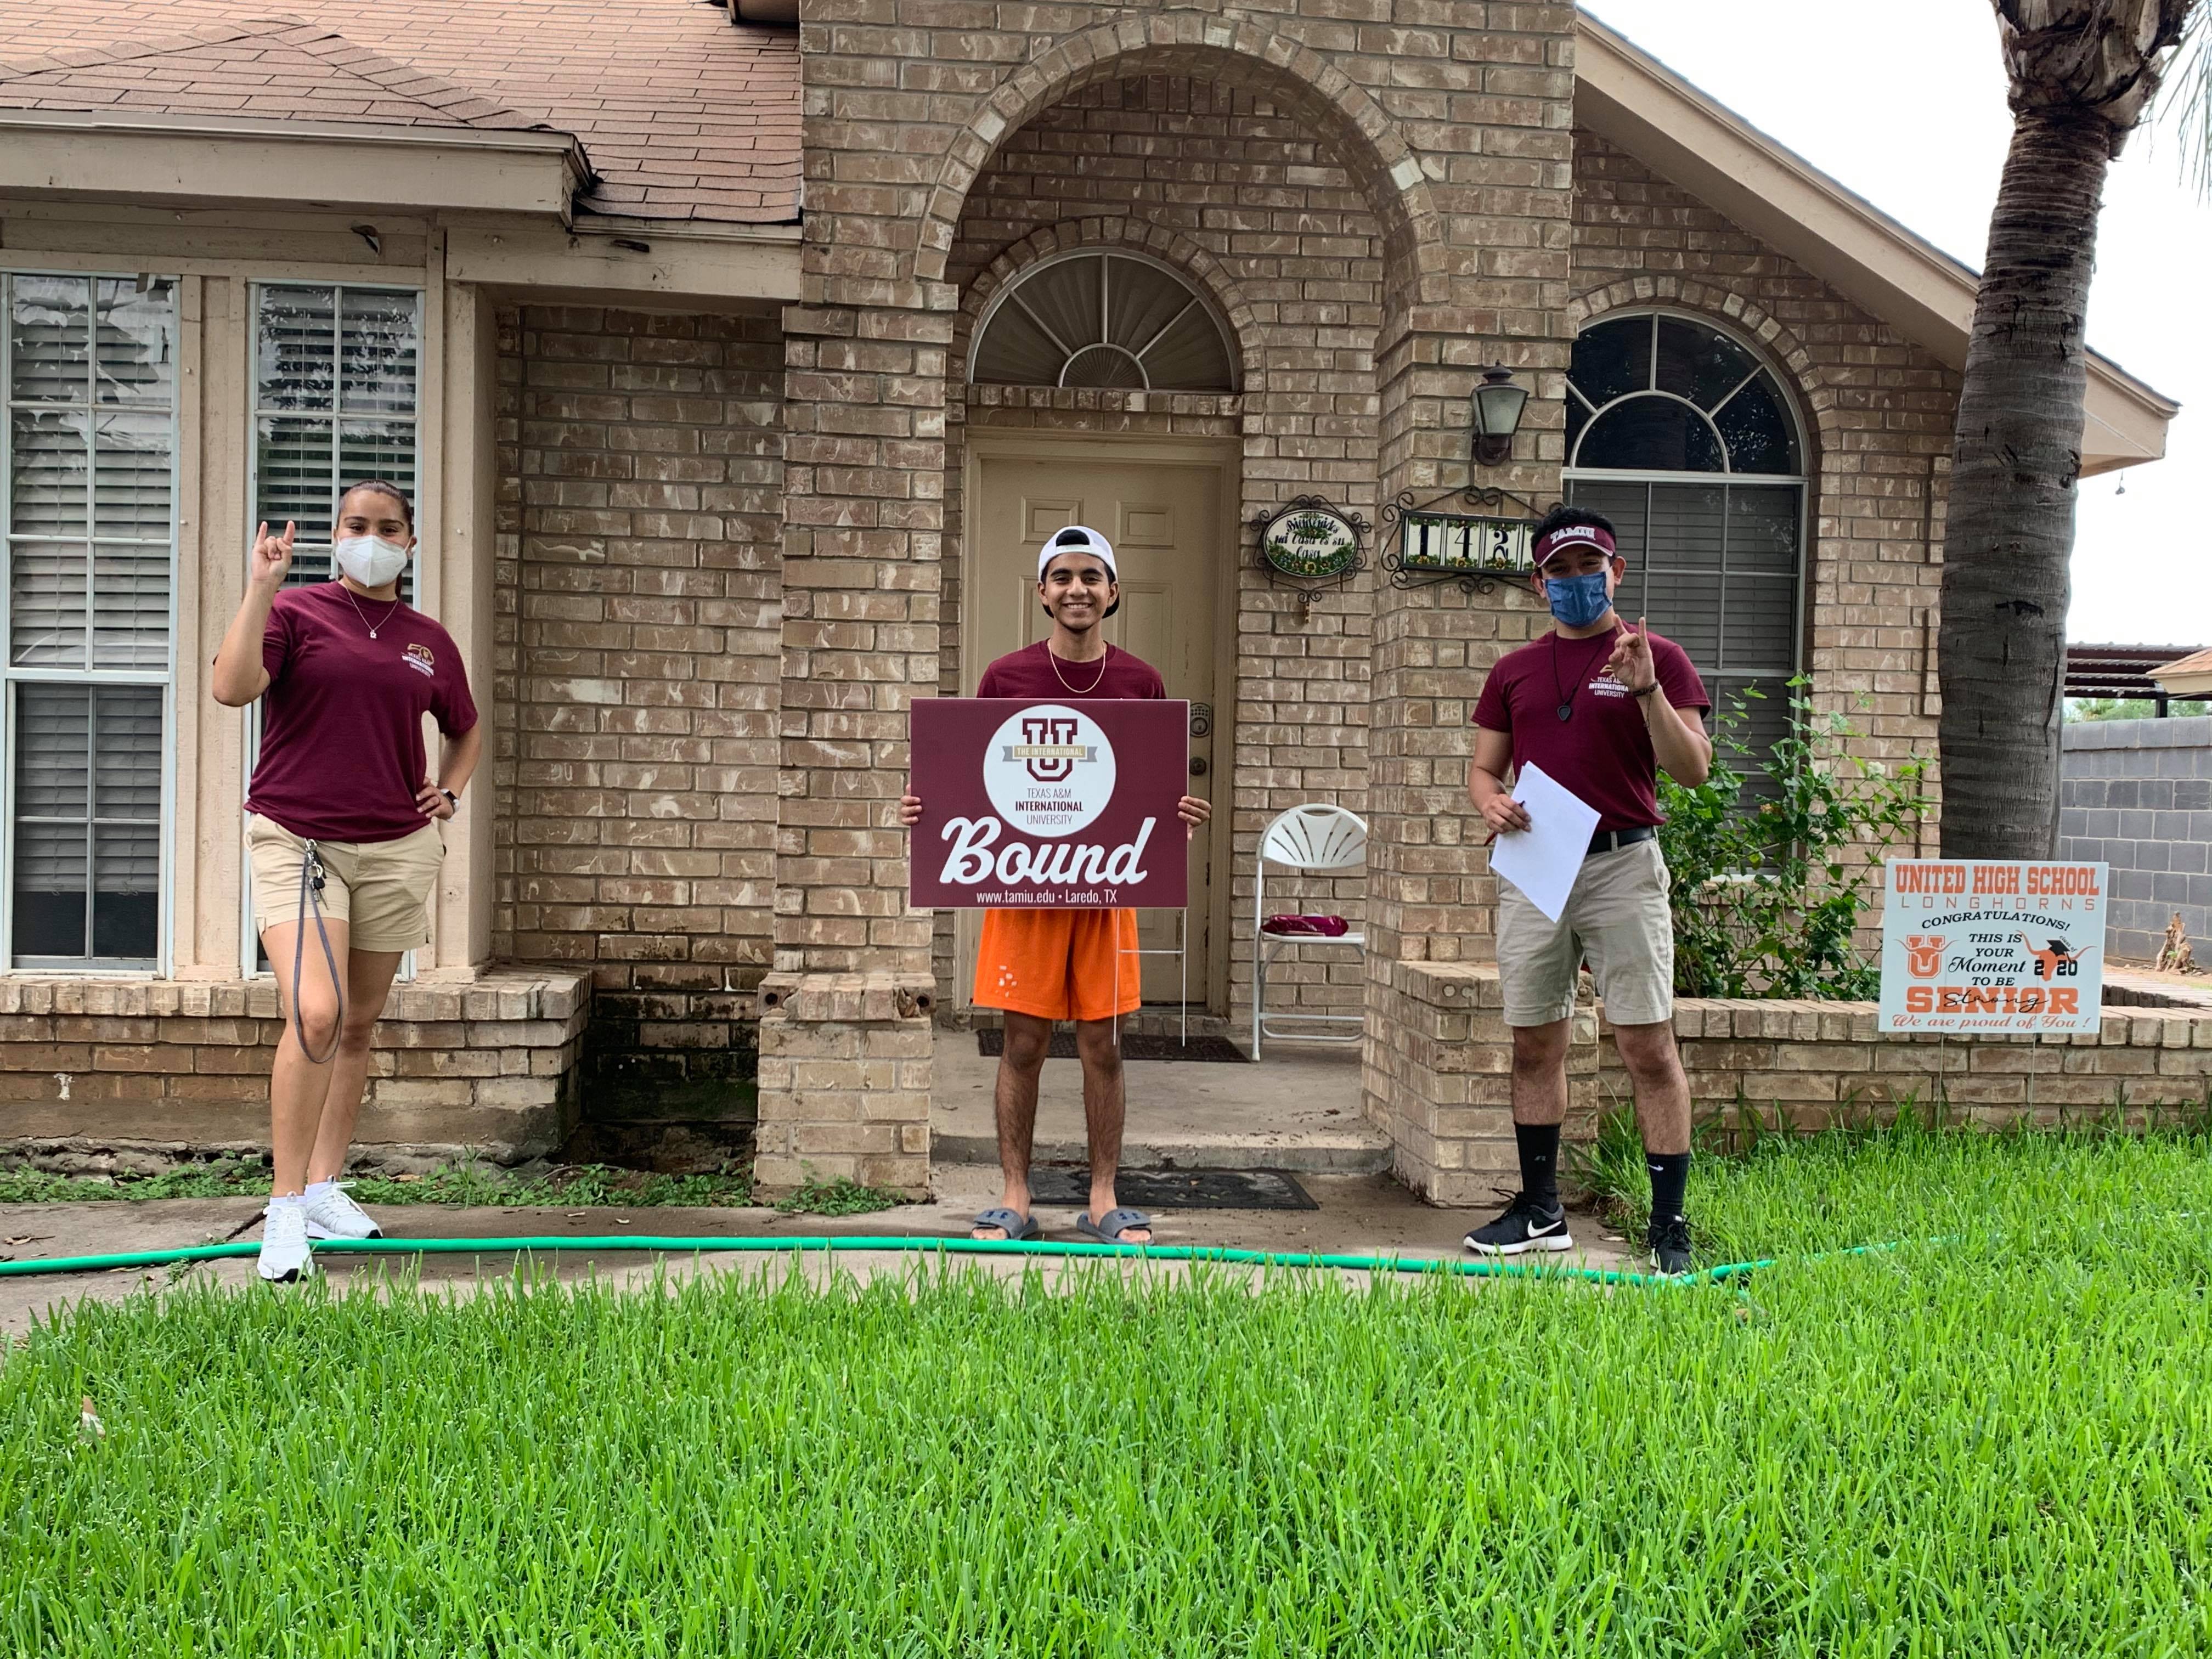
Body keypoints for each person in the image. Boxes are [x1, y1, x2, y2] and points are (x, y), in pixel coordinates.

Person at [900, 525, 1209, 1246]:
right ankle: (1014, 1194)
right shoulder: (1006, 678)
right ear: (1043, 592)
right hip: (1025, 893)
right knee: (1024, 1043)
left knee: (1102, 1044)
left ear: (1113, 593)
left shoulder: (1142, 682)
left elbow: (1148, 788)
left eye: (1092, 576)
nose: (1078, 588)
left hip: (1103, 892)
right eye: (1063, 576)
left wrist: (1177, 820)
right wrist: (925, 808)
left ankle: (1104, 1198)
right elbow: (973, 779)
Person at [211, 482, 482, 1282]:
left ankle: (327, 1187)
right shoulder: (296, 614)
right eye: (357, 526)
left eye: (388, 528)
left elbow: (464, 730)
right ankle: (285, 1209)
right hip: (299, 838)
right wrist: (262, 586)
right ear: (335, 536)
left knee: (358, 1026)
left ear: (411, 542)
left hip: (397, 846)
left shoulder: (429, 640)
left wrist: (450, 789)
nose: (372, 538)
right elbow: (231, 688)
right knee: (317, 1014)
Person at [1462, 506, 1713, 1275]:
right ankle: (1542, 1212)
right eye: (1560, 571)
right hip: (1538, 861)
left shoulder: (1659, 657)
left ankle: (1669, 1224)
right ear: (1540, 583)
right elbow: (1483, 768)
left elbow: (1693, 768)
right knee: (1535, 1039)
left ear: (1617, 572)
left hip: (1622, 865)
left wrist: (1645, 692)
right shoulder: (1514, 671)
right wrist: (1489, 802)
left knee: (1645, 1043)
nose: (1576, 582)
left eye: (1589, 567)